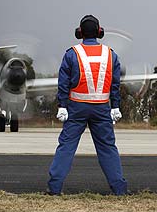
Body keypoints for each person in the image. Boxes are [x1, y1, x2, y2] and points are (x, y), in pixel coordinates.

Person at [47, 15, 127, 195]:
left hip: (76, 108)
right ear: (100, 32)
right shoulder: (110, 54)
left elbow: (63, 83)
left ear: (80, 32)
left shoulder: (72, 53)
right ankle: (119, 189)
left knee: (66, 147)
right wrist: (115, 106)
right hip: (102, 108)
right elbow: (115, 84)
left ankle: (54, 188)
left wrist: (62, 105)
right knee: (107, 148)